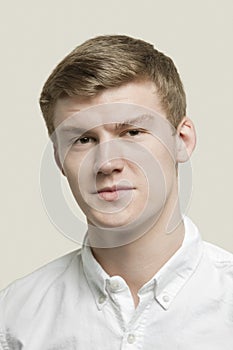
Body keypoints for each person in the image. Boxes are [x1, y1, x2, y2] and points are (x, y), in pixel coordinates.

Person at [0, 35, 232, 350]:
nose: (107, 163)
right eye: (83, 139)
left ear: (182, 139)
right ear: (58, 159)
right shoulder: (13, 319)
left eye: (132, 132)